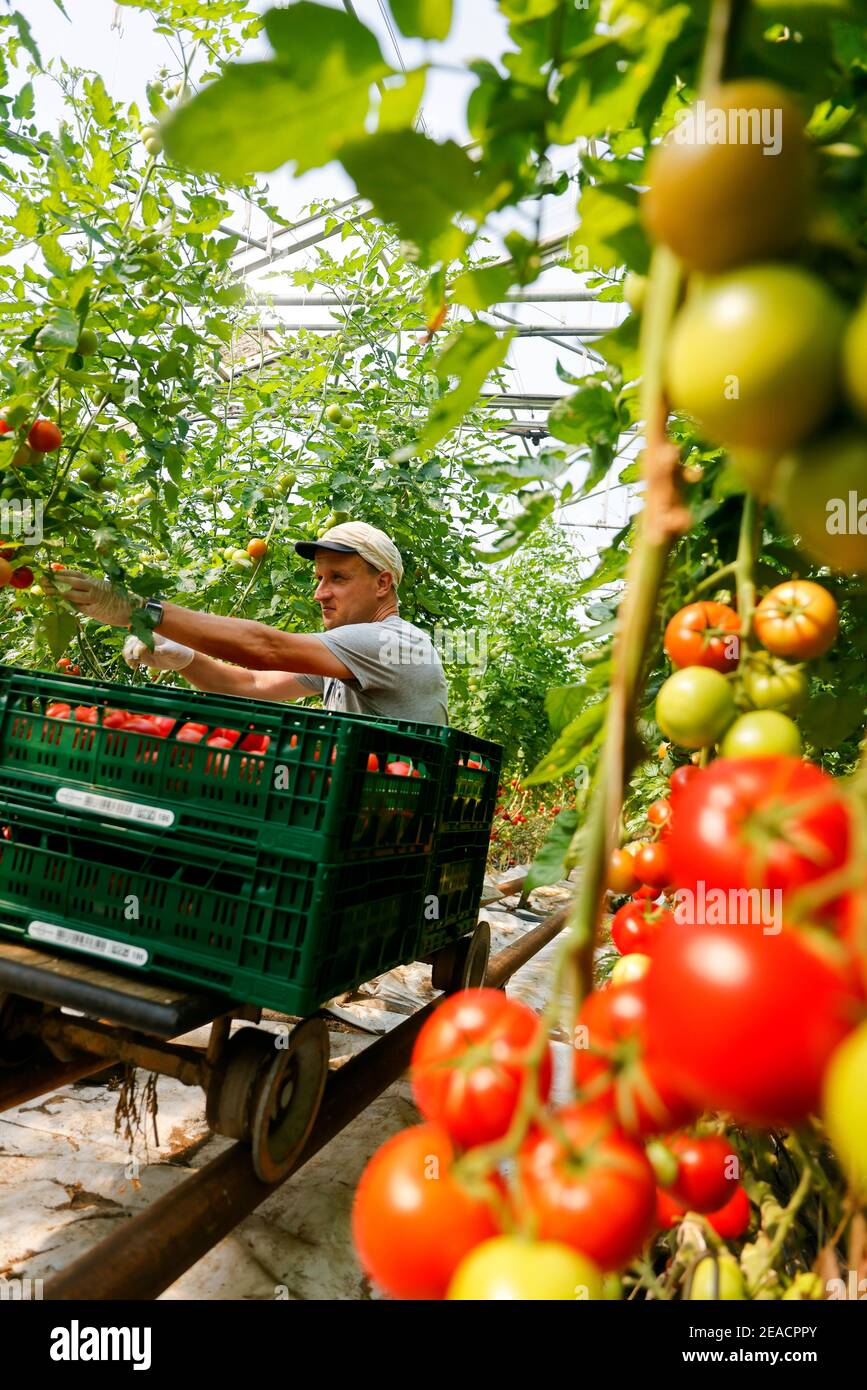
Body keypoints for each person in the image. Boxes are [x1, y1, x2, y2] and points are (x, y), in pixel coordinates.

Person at [50, 521, 449, 725]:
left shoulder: (390, 642)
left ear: (383, 583)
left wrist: (144, 611)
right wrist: (187, 660)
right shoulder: (348, 657)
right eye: (320, 579)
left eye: (338, 578)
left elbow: (265, 649)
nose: (320, 593)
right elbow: (252, 685)